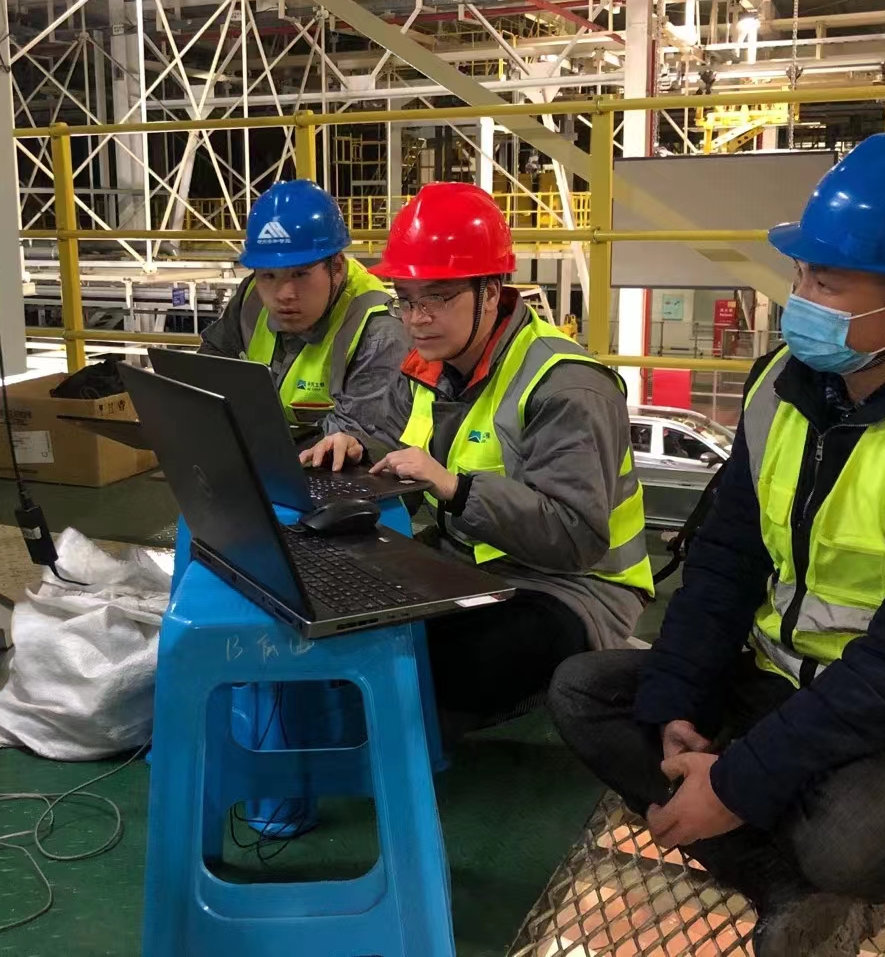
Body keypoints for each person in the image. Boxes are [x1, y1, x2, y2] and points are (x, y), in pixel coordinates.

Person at [548, 132, 885, 957]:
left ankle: (818, 858)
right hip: (787, 678)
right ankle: (791, 892)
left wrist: (739, 783)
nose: (797, 295)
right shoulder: (779, 386)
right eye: (802, 272)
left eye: (825, 281)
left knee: (858, 840)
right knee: (589, 694)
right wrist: (681, 703)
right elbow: (727, 559)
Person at [303, 182, 653, 727]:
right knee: (341, 605)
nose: (416, 318)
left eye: (437, 298)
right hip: (463, 561)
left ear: (491, 292)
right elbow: (399, 444)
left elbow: (575, 539)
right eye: (406, 299)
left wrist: (455, 488)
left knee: (458, 663)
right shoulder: (429, 363)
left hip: (573, 586)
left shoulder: (566, 387)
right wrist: (359, 448)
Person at [199, 179, 406, 439]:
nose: (284, 294)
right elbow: (207, 369)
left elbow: (356, 440)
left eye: (300, 274)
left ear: (337, 267)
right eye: (268, 275)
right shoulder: (250, 297)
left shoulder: (378, 331)